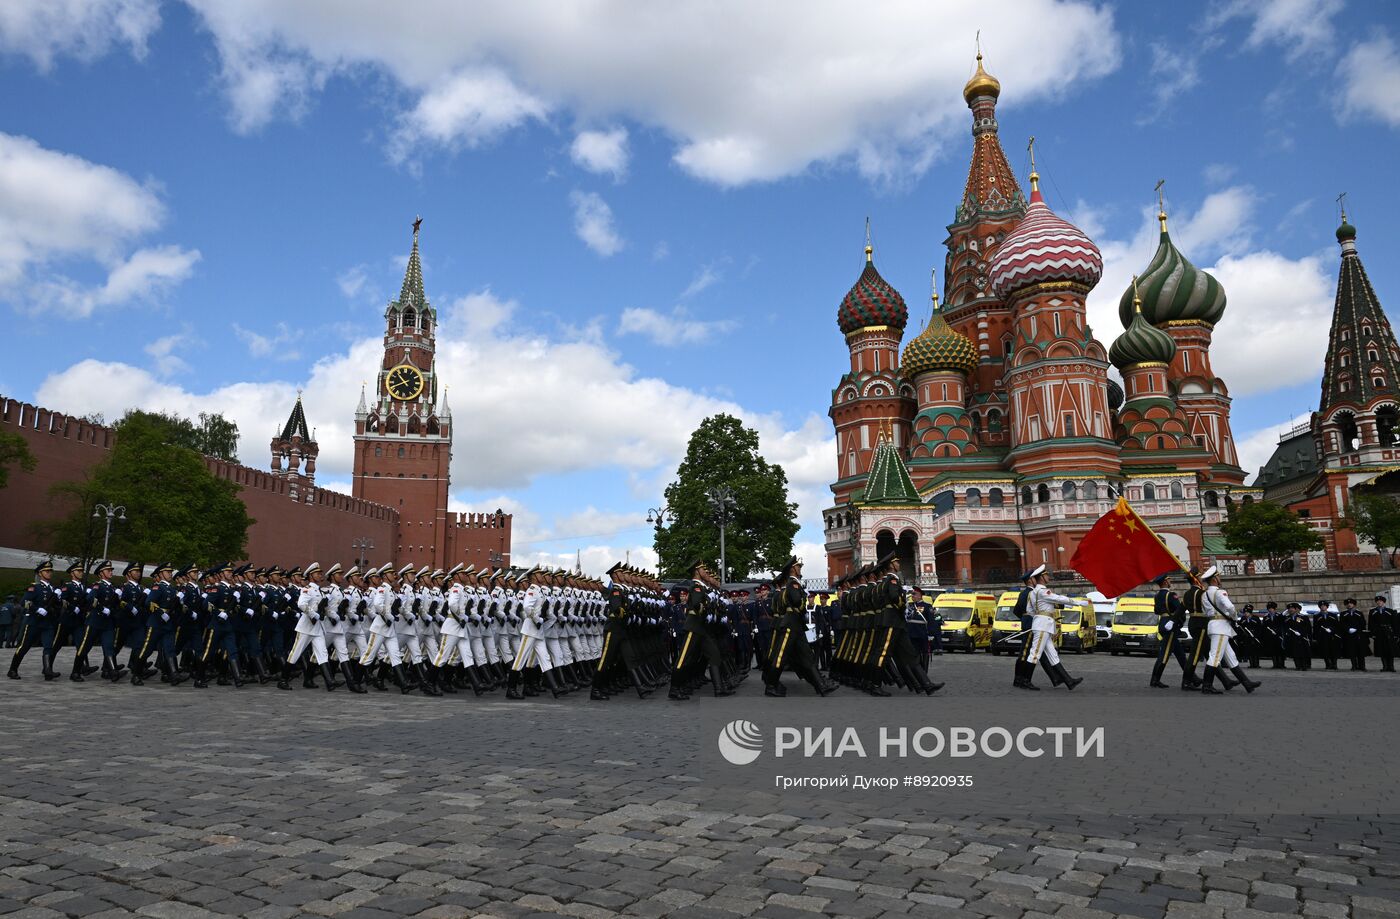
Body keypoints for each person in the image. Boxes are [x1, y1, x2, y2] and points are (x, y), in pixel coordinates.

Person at [1018, 565, 1082, 691]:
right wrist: (1078, 602)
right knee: (1034, 654)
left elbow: (1029, 611)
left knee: (1053, 655)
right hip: (1043, 626)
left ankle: (1069, 681)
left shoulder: (1032, 593)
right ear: (1041, 577)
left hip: (1041, 625)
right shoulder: (1043, 591)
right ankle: (1025, 681)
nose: (1048, 577)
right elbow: (1058, 598)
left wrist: (1038, 617)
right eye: (1046, 575)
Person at [1198, 566, 1260, 694]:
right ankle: (1207, 686)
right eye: (1218, 576)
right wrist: (1234, 617)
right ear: (1214, 579)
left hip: (1213, 624)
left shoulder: (1204, 594)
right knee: (1214, 657)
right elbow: (1230, 607)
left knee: (1231, 657)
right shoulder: (1220, 592)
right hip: (1221, 627)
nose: (1219, 579)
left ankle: (1246, 683)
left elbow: (1205, 611)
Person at [7, 560, 60, 680]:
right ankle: (12, 669)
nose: (49, 573)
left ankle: (47, 670)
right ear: (40, 573)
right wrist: (37, 609)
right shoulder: (34, 587)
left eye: (50, 571)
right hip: (34, 622)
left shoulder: (53, 589)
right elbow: (24, 602)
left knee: (48, 646)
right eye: (47, 571)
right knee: (24, 646)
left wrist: (58, 598)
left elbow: (57, 605)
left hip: (48, 623)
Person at [1149, 573, 1198, 689]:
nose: (1170, 582)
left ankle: (1193, 678)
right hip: (1170, 625)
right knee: (1164, 655)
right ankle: (1155, 680)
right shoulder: (1171, 595)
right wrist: (1180, 623)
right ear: (1165, 582)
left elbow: (1156, 611)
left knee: (1181, 655)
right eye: (1169, 580)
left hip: (1162, 622)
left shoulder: (1157, 596)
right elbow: (1179, 610)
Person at [907, 587, 932, 672]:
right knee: (914, 653)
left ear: (920, 596)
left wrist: (931, 633)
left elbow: (934, 619)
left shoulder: (927, 606)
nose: (912, 596)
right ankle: (916, 671)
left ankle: (924, 671)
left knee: (924, 652)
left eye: (914, 594)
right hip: (911, 634)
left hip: (922, 634)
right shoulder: (909, 605)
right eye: (912, 594)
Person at [1370, 595, 1396, 673]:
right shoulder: (1373, 611)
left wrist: (1396, 634)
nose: (1379, 602)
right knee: (1382, 650)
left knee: (1390, 650)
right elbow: (1371, 623)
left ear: (1384, 602)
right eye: (1377, 601)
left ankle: (1391, 666)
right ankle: (1384, 666)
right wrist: (1372, 633)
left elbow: (1394, 623)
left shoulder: (1390, 611)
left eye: (1380, 601)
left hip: (1388, 632)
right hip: (1379, 632)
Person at [1340, 598, 1368, 671]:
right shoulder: (1343, 614)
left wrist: (1356, 629)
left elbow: (1363, 623)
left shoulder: (1359, 613)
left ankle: (1362, 666)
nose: (1349, 605)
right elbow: (1342, 624)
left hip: (1358, 635)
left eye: (1351, 603)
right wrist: (1348, 629)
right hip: (1349, 635)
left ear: (1354, 604)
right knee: (1352, 651)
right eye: (1348, 604)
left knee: (1360, 651)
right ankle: (1354, 666)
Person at [1316, 600, 1342, 670]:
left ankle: (1334, 664)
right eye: (1321, 606)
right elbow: (1316, 627)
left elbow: (1337, 625)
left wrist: (1331, 630)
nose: (1323, 607)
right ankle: (1328, 664)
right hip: (1323, 636)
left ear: (1327, 607)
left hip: (1332, 636)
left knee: (1333, 650)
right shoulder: (1317, 616)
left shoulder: (1333, 615)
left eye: (1324, 606)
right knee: (1325, 650)